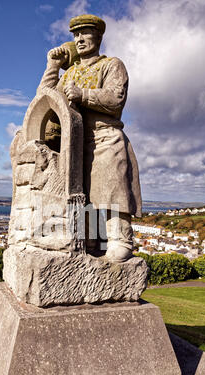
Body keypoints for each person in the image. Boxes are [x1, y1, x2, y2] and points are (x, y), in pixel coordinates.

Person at [38, 14, 142, 262]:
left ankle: (120, 239)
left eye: (85, 33)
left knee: (111, 189)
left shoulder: (112, 65)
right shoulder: (70, 72)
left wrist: (82, 94)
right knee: (83, 194)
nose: (80, 39)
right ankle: (94, 240)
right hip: (76, 143)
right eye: (76, 35)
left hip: (106, 137)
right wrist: (53, 66)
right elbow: (45, 100)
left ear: (98, 36)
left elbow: (116, 99)